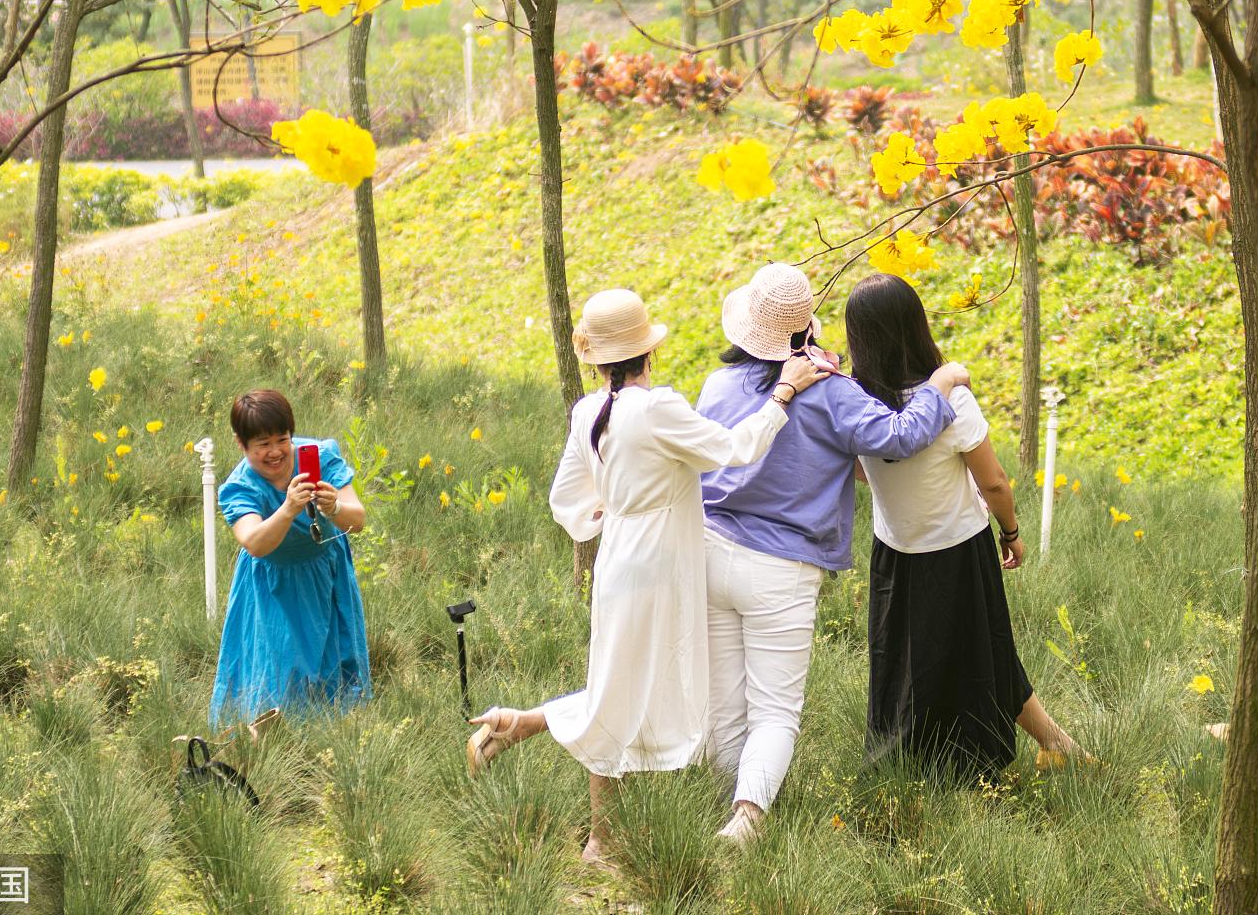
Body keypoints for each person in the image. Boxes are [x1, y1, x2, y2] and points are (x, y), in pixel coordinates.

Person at [464, 288, 828, 864]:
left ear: (599, 358)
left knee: (625, 680)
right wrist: (784, 391)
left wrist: (613, 507)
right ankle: (599, 838)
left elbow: (567, 504)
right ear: (647, 353)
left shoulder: (587, 412)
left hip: (618, 557)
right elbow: (737, 449)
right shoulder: (658, 408)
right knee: (641, 684)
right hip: (663, 560)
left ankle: (527, 729)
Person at [696, 262, 968, 842]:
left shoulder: (717, 387)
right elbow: (900, 438)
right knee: (775, 708)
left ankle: (722, 798)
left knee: (725, 698)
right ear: (806, 330)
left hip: (709, 549)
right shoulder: (832, 395)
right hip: (782, 566)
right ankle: (746, 819)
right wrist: (940, 386)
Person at [847, 272, 1084, 779]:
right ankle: (1026, 750)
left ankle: (914, 763)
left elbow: (860, 471)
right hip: (957, 547)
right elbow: (995, 481)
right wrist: (1013, 532)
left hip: (895, 551)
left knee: (904, 659)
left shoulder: (854, 405)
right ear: (917, 325)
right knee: (986, 652)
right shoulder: (950, 401)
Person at [210, 388, 370, 728]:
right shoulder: (239, 487)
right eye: (262, 444)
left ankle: (336, 736)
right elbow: (254, 542)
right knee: (281, 671)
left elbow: (357, 521)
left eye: (282, 440)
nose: (275, 452)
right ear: (241, 444)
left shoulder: (321, 456)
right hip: (274, 587)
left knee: (337, 664)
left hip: (327, 576)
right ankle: (278, 746)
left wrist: (334, 507)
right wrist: (288, 508)